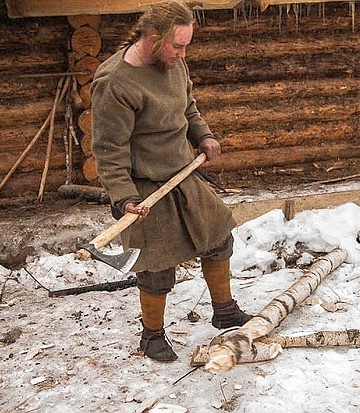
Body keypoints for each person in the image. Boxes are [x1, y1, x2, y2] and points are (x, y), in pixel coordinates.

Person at [91, 1, 251, 362]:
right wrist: (123, 197)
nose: (183, 54)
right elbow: (108, 149)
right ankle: (151, 336)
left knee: (218, 237)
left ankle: (224, 311)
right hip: (145, 187)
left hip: (183, 173)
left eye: (186, 46)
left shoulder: (174, 63)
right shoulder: (115, 83)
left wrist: (202, 135)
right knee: (155, 265)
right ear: (152, 36)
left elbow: (187, 106)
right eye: (177, 46)